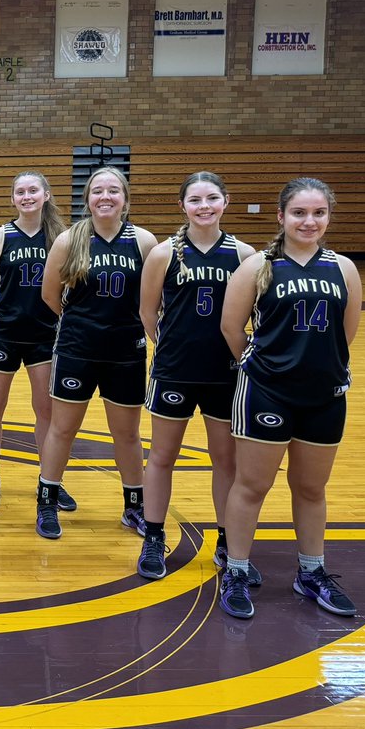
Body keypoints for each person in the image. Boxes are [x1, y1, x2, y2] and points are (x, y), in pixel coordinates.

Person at [216, 178, 361, 619]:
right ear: (281, 217)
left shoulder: (344, 269)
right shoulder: (258, 265)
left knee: (312, 488)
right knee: (252, 485)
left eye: (318, 213)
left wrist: (321, 368)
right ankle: (237, 570)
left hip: (324, 396)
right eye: (299, 212)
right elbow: (230, 327)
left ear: (328, 217)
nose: (309, 221)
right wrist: (266, 370)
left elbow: (346, 332)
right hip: (267, 394)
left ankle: (310, 572)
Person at [136, 172, 256, 580]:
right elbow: (147, 312)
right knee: (162, 456)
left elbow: (254, 316)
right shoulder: (164, 253)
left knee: (225, 461)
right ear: (182, 205)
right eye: (195, 200)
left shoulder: (244, 255)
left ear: (226, 201)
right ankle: (153, 537)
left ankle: (227, 540)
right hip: (175, 370)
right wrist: (170, 348)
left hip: (225, 373)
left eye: (212, 198)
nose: (204, 207)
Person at [35, 165, 158, 539]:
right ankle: (47, 501)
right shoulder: (69, 240)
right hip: (78, 349)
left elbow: (153, 301)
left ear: (125, 198)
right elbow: (49, 295)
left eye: (113, 190)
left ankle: (134, 507)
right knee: (63, 428)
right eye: (98, 191)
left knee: (127, 434)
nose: (105, 197)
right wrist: (82, 326)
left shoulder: (144, 242)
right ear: (87, 199)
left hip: (126, 351)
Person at [0, 171, 70, 511]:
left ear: (46, 194)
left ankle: (50, 480)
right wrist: (3, 315)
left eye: (33, 190)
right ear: (12, 198)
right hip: (4, 332)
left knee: (46, 409)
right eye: (20, 191)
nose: (27, 196)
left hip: (46, 334)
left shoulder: (62, 237)